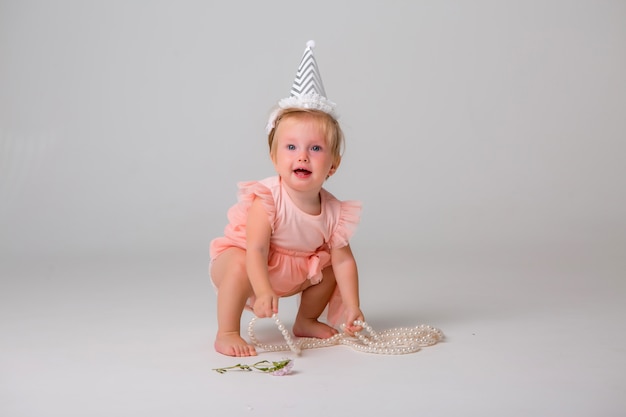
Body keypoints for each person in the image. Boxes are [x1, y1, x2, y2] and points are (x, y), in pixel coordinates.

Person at [209, 41, 364, 357]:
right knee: (239, 261)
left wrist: (352, 306)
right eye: (291, 147)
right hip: (250, 264)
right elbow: (256, 249)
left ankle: (306, 319)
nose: (303, 157)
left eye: (315, 149)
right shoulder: (267, 198)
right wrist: (263, 289)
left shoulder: (333, 210)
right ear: (274, 156)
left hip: (291, 274)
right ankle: (226, 331)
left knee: (333, 265)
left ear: (333, 165)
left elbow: (346, 260)